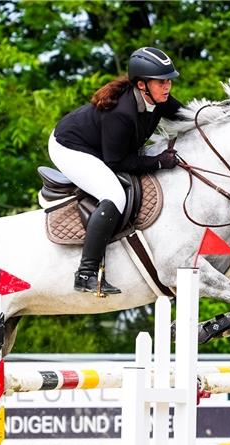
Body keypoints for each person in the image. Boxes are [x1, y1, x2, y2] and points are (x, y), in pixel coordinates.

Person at [49, 46, 184, 295]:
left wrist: (223, 113)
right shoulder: (122, 113)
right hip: (69, 147)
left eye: (168, 81)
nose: (167, 86)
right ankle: (86, 274)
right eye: (161, 82)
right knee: (114, 195)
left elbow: (186, 115)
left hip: (99, 145)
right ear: (142, 85)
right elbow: (117, 162)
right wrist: (158, 162)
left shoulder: (158, 99)